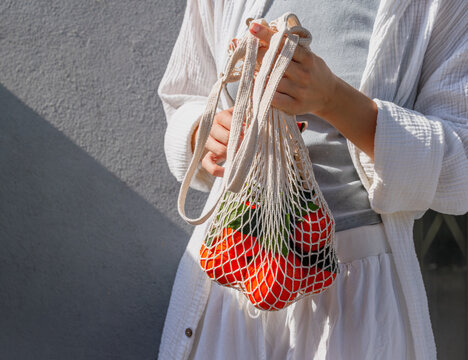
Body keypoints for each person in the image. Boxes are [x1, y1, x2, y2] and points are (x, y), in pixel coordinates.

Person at [158, 0, 468, 359]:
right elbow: (184, 97)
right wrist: (203, 133)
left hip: (357, 297)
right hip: (232, 272)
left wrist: (332, 98)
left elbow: (459, 170)